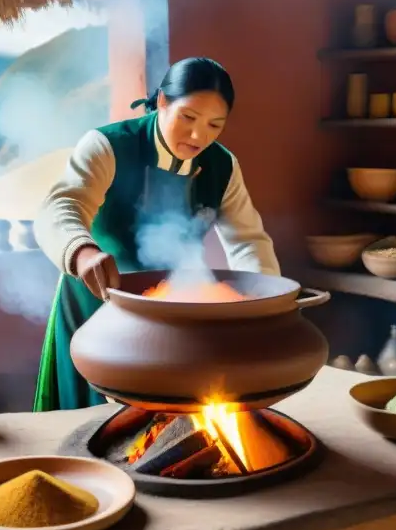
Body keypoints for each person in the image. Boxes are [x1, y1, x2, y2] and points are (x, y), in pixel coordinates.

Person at [33, 57, 281, 411]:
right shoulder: (108, 145)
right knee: (89, 417)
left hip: (170, 312)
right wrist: (82, 251)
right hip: (99, 300)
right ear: (162, 102)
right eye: (188, 118)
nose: (200, 136)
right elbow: (61, 205)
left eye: (215, 124)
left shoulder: (222, 165)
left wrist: (266, 306)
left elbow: (247, 241)